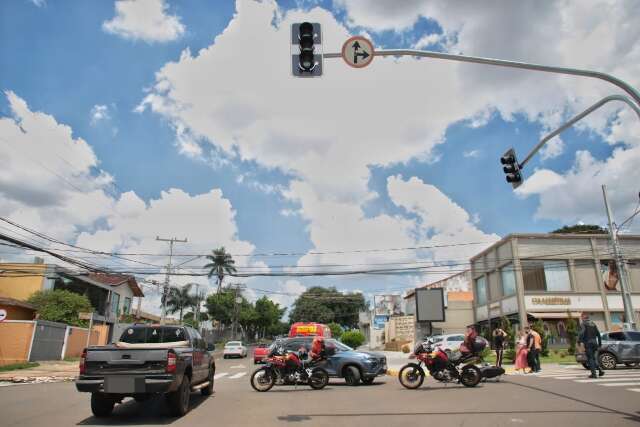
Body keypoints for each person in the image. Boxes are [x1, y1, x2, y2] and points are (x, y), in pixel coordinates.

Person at [578, 312, 604, 378]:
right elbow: (598, 334)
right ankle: (600, 370)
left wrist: (579, 341)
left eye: (581, 317)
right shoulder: (593, 324)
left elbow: (582, 333)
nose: (581, 318)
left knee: (590, 359)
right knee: (593, 358)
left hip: (588, 343)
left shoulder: (583, 324)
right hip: (595, 343)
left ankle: (594, 374)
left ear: (583, 317)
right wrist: (600, 344)